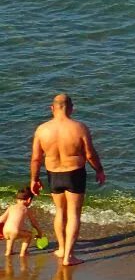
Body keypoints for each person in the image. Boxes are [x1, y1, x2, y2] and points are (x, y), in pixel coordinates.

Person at [29, 93, 106, 266]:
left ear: (52, 108)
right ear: (71, 108)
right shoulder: (79, 128)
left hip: (53, 173)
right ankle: (69, 257)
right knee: (73, 214)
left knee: (60, 211)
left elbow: (35, 158)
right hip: (74, 173)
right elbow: (90, 154)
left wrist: (34, 179)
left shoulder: (42, 130)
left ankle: (62, 249)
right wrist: (99, 170)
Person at [3, 187, 43, 257]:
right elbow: (34, 223)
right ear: (29, 200)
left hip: (5, 231)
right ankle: (23, 253)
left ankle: (8, 252)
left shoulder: (11, 207)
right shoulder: (25, 209)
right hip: (15, 231)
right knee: (29, 235)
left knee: (9, 238)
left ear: (16, 199)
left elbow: (1, 219)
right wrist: (40, 232)